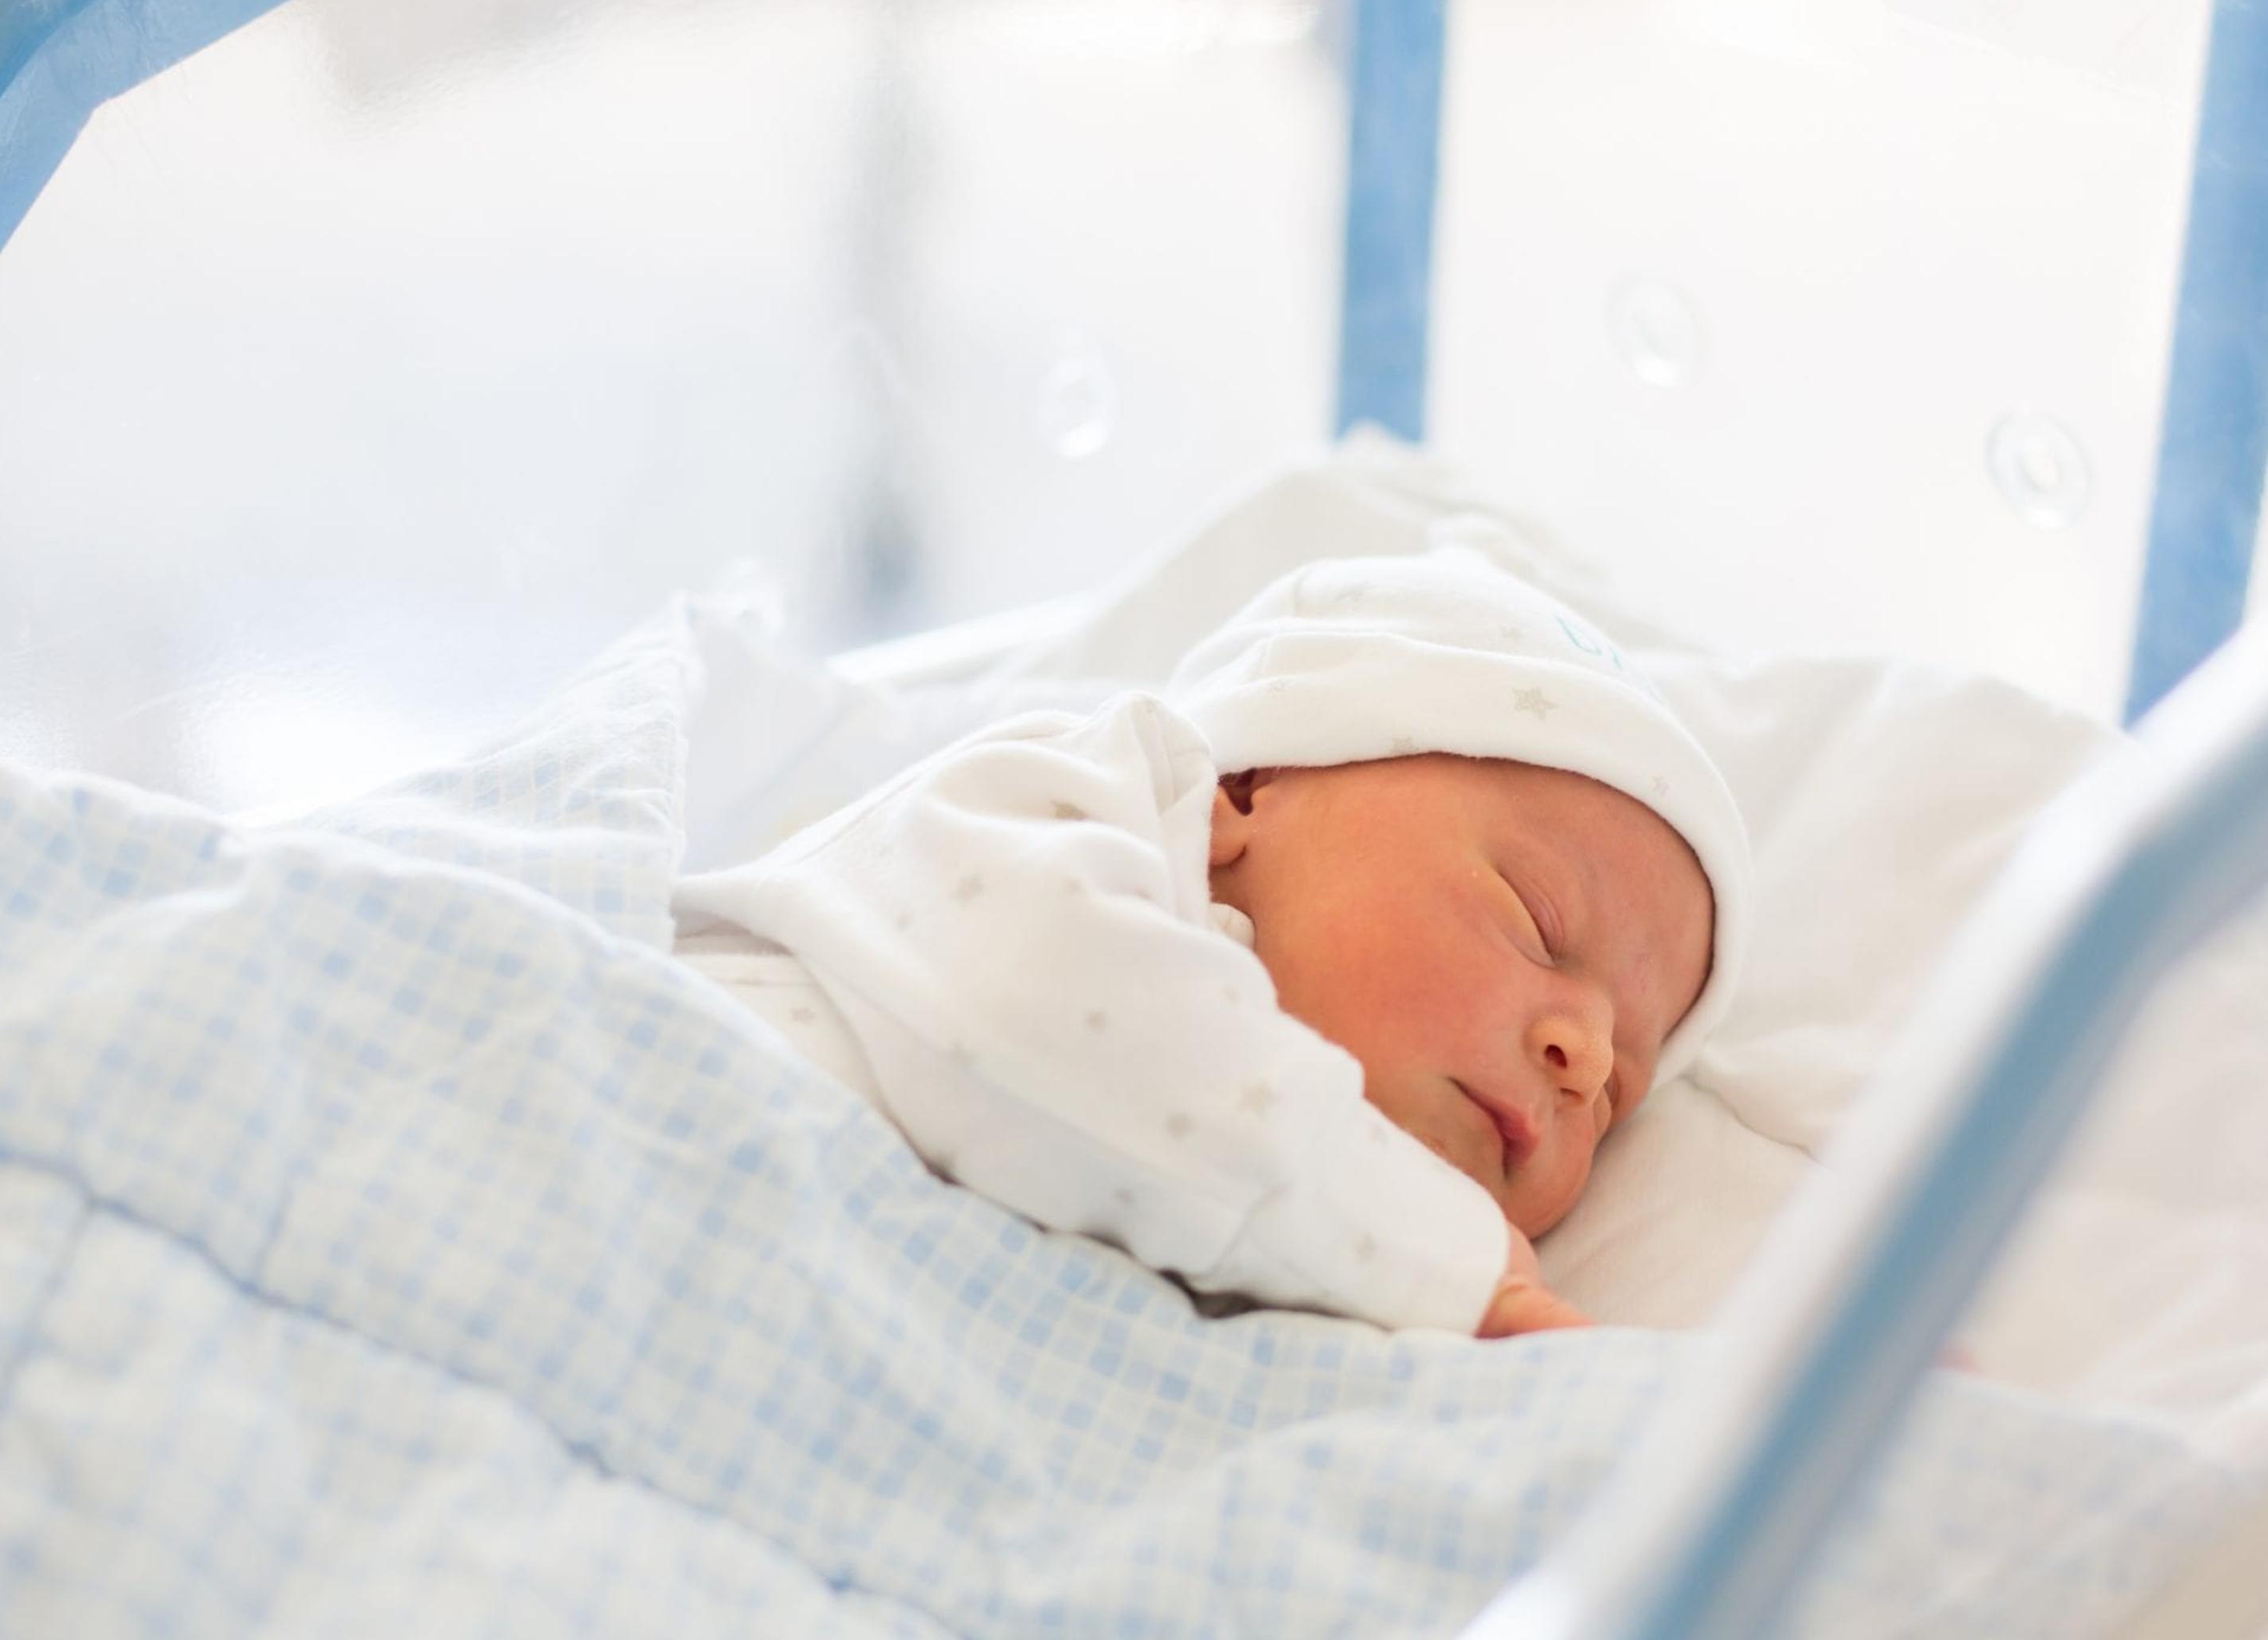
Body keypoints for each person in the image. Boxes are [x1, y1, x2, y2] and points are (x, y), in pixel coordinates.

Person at [670, 547, 1751, 1337]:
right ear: (1246, 787)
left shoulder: (1307, 1277)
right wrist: (1456, 1268)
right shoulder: (1054, 815)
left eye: (1620, 1097)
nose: (1590, 1057)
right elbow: (1036, 1005)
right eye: (1539, 919)